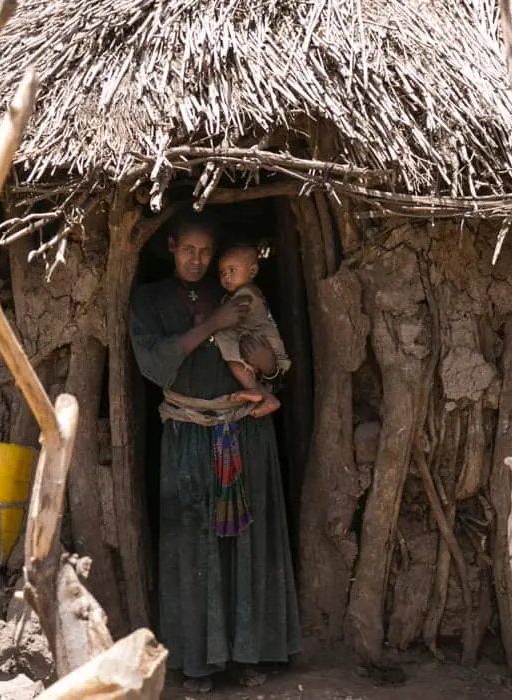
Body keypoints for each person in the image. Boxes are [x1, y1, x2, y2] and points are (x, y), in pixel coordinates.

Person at [128, 215, 302, 692]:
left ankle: (248, 653)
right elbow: (154, 361)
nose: (198, 260)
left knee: (246, 540)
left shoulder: (235, 295)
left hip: (244, 433)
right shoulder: (149, 299)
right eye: (189, 250)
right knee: (191, 544)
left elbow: (269, 357)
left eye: (206, 252)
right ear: (171, 247)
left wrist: (264, 366)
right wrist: (213, 325)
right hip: (186, 437)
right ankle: (195, 661)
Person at [212, 244, 289, 419]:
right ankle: (268, 398)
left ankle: (254, 390)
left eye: (232, 270)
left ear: (252, 271)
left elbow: (228, 319)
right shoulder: (247, 292)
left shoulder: (245, 294)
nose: (226, 276)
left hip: (259, 342)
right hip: (264, 344)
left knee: (225, 343)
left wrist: (210, 324)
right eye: (222, 272)